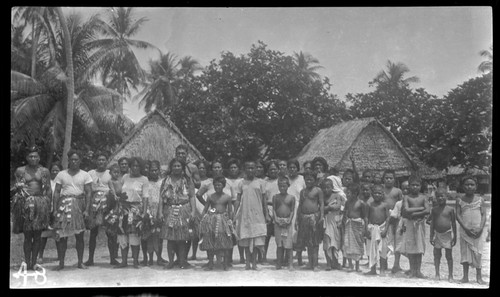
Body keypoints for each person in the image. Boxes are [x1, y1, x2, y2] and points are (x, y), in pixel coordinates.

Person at [11, 146, 52, 270]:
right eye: (30, 156)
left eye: (35, 156)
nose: (33, 158)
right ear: (27, 158)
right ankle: (27, 262)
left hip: (40, 203)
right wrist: (16, 188)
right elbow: (16, 188)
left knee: (38, 235)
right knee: (28, 235)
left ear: (39, 158)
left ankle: (34, 262)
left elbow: (48, 189)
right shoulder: (20, 170)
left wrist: (48, 204)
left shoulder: (44, 171)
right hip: (26, 204)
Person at [52, 149, 92, 270]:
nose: (74, 162)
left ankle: (80, 262)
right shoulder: (61, 174)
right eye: (72, 160)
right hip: (64, 205)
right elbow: (57, 192)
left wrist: (86, 210)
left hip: (79, 205)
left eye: (76, 159)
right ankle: (61, 263)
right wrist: (55, 209)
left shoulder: (85, 175)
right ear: (68, 161)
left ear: (80, 161)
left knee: (79, 236)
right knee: (62, 235)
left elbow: (89, 193)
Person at [159, 158, 196, 269]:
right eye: (174, 166)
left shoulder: (187, 180)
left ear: (182, 167)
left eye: (179, 166)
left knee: (182, 237)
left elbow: (192, 196)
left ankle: (182, 261)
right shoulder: (166, 180)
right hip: (170, 209)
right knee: (170, 238)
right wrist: (160, 212)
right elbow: (161, 197)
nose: (176, 168)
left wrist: (193, 211)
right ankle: (171, 261)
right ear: (171, 167)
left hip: (184, 209)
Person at [234, 160, 271, 270]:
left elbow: (264, 200)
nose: (250, 170)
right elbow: (237, 199)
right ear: (244, 170)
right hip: (245, 214)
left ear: (256, 169)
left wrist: (267, 214)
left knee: (256, 240)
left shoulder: (261, 182)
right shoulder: (241, 183)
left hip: (257, 214)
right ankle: (247, 263)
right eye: (248, 168)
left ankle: (254, 263)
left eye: (252, 168)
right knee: (246, 238)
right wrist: (234, 214)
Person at [196, 160, 234, 267]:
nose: (217, 187)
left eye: (220, 185)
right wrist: (203, 218)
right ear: (213, 185)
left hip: (223, 220)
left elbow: (230, 210)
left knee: (224, 240)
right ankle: (211, 262)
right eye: (216, 185)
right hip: (211, 219)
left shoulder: (227, 197)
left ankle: (225, 263)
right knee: (210, 239)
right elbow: (206, 208)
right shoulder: (210, 196)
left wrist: (231, 220)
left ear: (223, 185)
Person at [114, 157, 149, 269]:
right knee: (123, 234)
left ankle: (135, 261)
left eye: (137, 166)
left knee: (134, 234)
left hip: (136, 209)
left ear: (141, 167)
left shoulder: (144, 179)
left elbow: (145, 197)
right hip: (124, 208)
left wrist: (143, 212)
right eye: (133, 165)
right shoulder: (125, 177)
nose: (135, 168)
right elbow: (118, 190)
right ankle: (124, 261)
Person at [84, 152, 118, 266]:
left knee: (110, 232)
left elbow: (115, 186)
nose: (101, 162)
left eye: (103, 160)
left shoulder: (111, 172)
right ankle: (90, 259)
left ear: (107, 161)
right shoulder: (90, 173)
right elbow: (87, 189)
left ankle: (113, 258)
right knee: (93, 232)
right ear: (96, 161)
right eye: (99, 160)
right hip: (94, 204)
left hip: (107, 203)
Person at [456, 176, 486, 285]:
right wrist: (465, 228)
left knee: (478, 253)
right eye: (467, 184)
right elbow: (458, 215)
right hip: (465, 232)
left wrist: (481, 228)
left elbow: (483, 215)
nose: (469, 186)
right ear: (462, 187)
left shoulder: (480, 200)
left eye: (472, 184)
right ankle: (465, 277)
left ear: (476, 186)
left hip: (478, 232)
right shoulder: (459, 200)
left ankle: (479, 277)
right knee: (465, 253)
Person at [401, 175, 430, 278]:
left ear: (420, 186)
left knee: (419, 248)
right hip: (410, 224)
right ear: (409, 186)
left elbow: (427, 210)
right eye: (412, 185)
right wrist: (420, 208)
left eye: (417, 185)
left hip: (420, 224)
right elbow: (406, 210)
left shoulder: (423, 197)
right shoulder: (407, 197)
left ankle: (418, 271)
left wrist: (415, 214)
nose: (414, 187)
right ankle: (412, 270)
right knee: (411, 248)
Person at [296, 173, 324, 271]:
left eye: (311, 179)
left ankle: (315, 264)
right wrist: (297, 218)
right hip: (304, 218)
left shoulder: (318, 190)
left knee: (315, 242)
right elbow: (300, 205)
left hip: (314, 218)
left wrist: (322, 216)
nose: (308, 181)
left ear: (315, 180)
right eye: (307, 180)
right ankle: (310, 263)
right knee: (308, 242)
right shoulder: (302, 191)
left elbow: (321, 203)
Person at [142, 160, 166, 266]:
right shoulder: (146, 182)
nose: (154, 172)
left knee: (159, 235)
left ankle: (159, 258)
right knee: (148, 235)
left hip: (159, 211)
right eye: (152, 170)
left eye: (156, 170)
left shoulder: (163, 182)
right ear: (149, 171)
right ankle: (149, 258)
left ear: (159, 170)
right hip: (148, 210)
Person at [430, 188, 457, 282]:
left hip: (447, 234)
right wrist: (431, 236)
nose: (440, 198)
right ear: (436, 198)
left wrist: (455, 237)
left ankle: (450, 275)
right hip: (437, 234)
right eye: (438, 196)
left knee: (449, 256)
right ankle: (437, 274)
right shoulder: (434, 210)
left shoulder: (450, 209)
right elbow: (432, 223)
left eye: (442, 196)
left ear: (446, 196)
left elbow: (453, 223)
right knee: (437, 255)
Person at [38, 162, 61, 264]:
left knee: (58, 233)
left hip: (59, 210)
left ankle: (60, 255)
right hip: (47, 210)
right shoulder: (47, 182)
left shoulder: (62, 182)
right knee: (44, 234)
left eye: (57, 170)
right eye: (53, 170)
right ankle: (40, 256)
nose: (55, 172)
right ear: (50, 171)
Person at [364, 184, 391, 275]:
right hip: (372, 228)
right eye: (375, 193)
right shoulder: (369, 204)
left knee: (383, 251)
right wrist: (366, 229)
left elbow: (388, 218)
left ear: (383, 194)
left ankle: (382, 270)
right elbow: (366, 217)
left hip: (382, 228)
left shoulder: (385, 205)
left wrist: (385, 230)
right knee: (371, 250)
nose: (377, 195)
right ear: (372, 194)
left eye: (379, 193)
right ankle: (373, 270)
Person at [342, 183, 368, 272]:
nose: (348, 195)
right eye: (347, 193)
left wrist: (366, 228)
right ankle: (350, 265)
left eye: (350, 193)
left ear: (355, 193)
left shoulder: (361, 203)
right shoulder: (347, 202)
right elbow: (345, 214)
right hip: (348, 224)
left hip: (358, 225)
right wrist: (342, 224)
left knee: (358, 244)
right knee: (347, 244)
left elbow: (365, 216)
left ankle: (357, 266)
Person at [381, 170, 403, 272]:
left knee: (397, 241)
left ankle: (396, 264)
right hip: (384, 219)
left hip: (396, 219)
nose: (388, 180)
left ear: (394, 180)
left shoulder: (398, 191)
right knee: (385, 242)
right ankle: (384, 263)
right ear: (383, 179)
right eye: (386, 178)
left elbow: (401, 204)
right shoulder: (381, 190)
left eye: (391, 178)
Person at [272, 176, 296, 271]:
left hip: (287, 222)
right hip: (278, 222)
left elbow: (292, 210)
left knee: (288, 244)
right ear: (278, 186)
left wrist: (289, 220)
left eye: (284, 186)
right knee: (279, 244)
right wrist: (276, 219)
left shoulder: (291, 197)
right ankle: (279, 263)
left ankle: (290, 264)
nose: (282, 188)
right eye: (280, 186)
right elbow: (274, 209)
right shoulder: (275, 197)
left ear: (288, 186)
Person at [190, 159, 211, 261]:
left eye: (203, 168)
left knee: (206, 233)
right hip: (196, 207)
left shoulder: (210, 181)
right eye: (199, 168)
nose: (201, 170)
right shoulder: (193, 182)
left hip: (206, 207)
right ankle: (193, 254)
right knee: (194, 234)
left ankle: (208, 254)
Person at [287, 159, 306, 266]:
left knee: (298, 234)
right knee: (288, 234)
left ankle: (299, 258)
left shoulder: (302, 179)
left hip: (299, 208)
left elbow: (304, 195)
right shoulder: (285, 179)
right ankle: (288, 259)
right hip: (287, 208)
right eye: (290, 167)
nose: (292, 169)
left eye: (294, 167)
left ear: (297, 169)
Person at [322, 179, 344, 271]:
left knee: (336, 243)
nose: (326, 189)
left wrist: (329, 207)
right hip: (326, 221)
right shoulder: (322, 197)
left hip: (336, 221)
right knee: (327, 242)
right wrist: (330, 207)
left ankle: (335, 262)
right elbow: (321, 208)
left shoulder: (337, 196)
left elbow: (338, 206)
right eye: (324, 187)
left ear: (332, 187)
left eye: (328, 187)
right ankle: (328, 263)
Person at [225, 158, 244, 264]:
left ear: (238, 169)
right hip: (228, 206)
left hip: (240, 207)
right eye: (231, 167)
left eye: (235, 167)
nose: (233, 169)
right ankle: (229, 257)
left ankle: (242, 257)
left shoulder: (242, 181)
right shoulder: (225, 180)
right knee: (229, 233)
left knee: (239, 233)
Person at [262, 160, 280, 263]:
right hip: (268, 208)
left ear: (278, 170)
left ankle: (280, 258)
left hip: (279, 208)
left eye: (275, 169)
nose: (273, 171)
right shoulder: (264, 182)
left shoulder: (282, 181)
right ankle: (263, 257)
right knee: (267, 235)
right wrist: (266, 213)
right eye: (271, 169)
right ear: (267, 171)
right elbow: (263, 198)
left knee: (279, 235)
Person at [390, 180, 409, 274]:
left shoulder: (414, 202)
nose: (406, 190)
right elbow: (394, 216)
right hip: (400, 227)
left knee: (409, 246)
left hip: (410, 227)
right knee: (398, 246)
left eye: (408, 188)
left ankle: (412, 266)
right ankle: (396, 265)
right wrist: (395, 227)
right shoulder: (398, 203)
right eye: (404, 188)